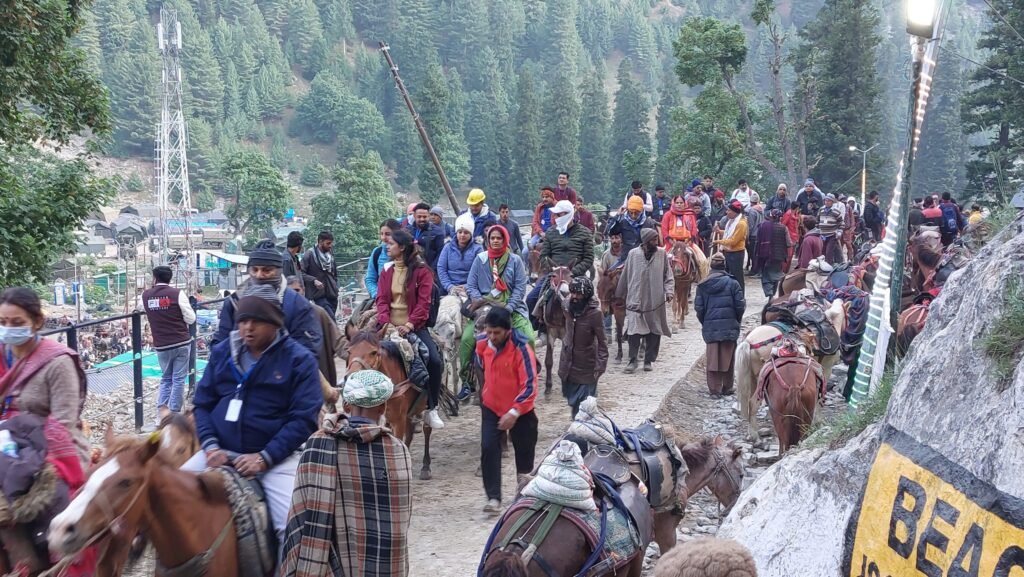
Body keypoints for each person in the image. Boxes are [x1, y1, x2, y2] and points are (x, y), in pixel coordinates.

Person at [189, 288, 322, 547]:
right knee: (167, 496)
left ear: (275, 323)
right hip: (217, 452)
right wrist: (210, 445)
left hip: (276, 460)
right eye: (242, 321)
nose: (247, 328)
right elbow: (202, 405)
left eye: (257, 322)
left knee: (292, 529)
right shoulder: (222, 352)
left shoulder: (299, 360)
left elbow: (303, 420)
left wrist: (265, 457)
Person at [280, 370, 412, 577]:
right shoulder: (396, 450)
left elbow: (300, 510)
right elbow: (399, 521)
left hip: (326, 566)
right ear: (383, 407)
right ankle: (429, 406)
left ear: (347, 405)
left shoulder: (318, 444)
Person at [0, 288, 89, 466]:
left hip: (48, 449)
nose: (8, 329)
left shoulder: (58, 363)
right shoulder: (2, 354)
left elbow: (62, 425)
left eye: (17, 323)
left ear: (37, 322)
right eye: (2, 322)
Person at [376, 229, 445, 429]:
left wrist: (409, 324)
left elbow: (424, 304)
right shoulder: (387, 270)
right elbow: (381, 299)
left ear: (403, 247)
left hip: (414, 327)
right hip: (388, 326)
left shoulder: (422, 272)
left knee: (434, 360)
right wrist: (385, 322)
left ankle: (431, 407)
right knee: (363, 353)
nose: (387, 246)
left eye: (391, 244)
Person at [475, 306, 538, 513]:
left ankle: (523, 495)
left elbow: (529, 385)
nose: (492, 337)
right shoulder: (481, 344)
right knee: (488, 448)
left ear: (508, 331)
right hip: (491, 406)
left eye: (497, 333)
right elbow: (481, 367)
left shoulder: (522, 349)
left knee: (524, 454)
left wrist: (514, 411)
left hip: (521, 411)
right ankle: (493, 497)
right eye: (489, 332)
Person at [213, 240, 322, 357]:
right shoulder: (233, 303)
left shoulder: (297, 304)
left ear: (279, 271)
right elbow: (221, 344)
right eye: (255, 270)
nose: (259, 275)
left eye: (267, 270)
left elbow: (309, 348)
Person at [461, 225, 534, 399]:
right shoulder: (481, 259)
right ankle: (467, 382)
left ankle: (527, 378)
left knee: (529, 338)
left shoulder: (515, 260)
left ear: (505, 240)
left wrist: (508, 308)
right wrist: (480, 304)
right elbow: (470, 285)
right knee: (466, 341)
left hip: (511, 308)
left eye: (498, 238)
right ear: (488, 240)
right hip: (484, 310)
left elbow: (519, 288)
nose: (495, 241)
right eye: (492, 238)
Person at [528, 200, 594, 334]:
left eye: (559, 215)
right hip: (554, 274)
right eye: (556, 215)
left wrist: (572, 272)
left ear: (568, 214)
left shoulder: (585, 233)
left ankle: (592, 330)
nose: (556, 218)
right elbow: (543, 255)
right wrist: (554, 271)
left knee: (592, 303)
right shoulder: (551, 232)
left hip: (577, 275)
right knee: (531, 298)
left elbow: (588, 258)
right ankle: (541, 328)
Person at [141, 265, 196, 426]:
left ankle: (161, 416)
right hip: (181, 342)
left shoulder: (146, 296)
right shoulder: (177, 294)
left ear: (154, 278)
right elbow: (191, 318)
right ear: (170, 278)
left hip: (162, 344)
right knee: (179, 379)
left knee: (166, 379)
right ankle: (174, 416)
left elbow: (140, 309)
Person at [615, 228, 674, 374]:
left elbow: (668, 275)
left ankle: (648, 360)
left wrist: (669, 291)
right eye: (653, 240)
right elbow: (625, 274)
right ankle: (632, 360)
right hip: (636, 299)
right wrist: (619, 294)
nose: (656, 242)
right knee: (634, 331)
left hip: (655, 300)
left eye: (656, 239)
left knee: (654, 330)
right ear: (646, 241)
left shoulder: (662, 254)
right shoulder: (633, 254)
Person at [694, 253, 745, 396]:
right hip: (729, 324)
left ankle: (714, 389)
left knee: (713, 357)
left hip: (710, 325)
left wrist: (705, 321)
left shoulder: (702, 285)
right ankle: (727, 387)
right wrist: (736, 320)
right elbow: (740, 306)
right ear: (724, 265)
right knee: (728, 357)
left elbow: (699, 308)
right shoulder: (733, 283)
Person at [557, 277, 607, 418]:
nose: (574, 297)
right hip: (568, 362)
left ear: (586, 295)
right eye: (572, 293)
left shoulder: (595, 314)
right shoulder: (566, 305)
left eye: (578, 294)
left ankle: (581, 426)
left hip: (587, 364)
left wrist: (600, 365)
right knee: (572, 399)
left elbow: (603, 342)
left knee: (584, 404)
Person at [287, 276, 342, 390]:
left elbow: (338, 341)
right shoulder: (278, 316)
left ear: (303, 290)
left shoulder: (318, 313)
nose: (294, 295)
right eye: (290, 292)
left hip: (320, 379)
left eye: (297, 290)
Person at [437, 213, 483, 296]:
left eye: (466, 232)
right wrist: (449, 287)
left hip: (471, 289)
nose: (462, 235)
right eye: (460, 232)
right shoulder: (447, 247)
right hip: (449, 289)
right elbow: (441, 268)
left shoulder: (478, 249)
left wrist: (467, 286)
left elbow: (480, 271)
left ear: (471, 234)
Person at [608, 195, 658, 266]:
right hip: (626, 258)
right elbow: (610, 232)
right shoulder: (623, 222)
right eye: (631, 213)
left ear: (642, 211)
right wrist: (617, 216)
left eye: (636, 213)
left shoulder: (648, 223)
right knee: (608, 274)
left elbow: (654, 242)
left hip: (645, 259)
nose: (633, 216)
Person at [301, 230, 340, 319]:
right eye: (328, 243)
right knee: (331, 322)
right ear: (320, 242)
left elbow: (335, 274)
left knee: (326, 325)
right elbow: (300, 273)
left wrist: (336, 287)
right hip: (318, 296)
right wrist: (313, 280)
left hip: (332, 295)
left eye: (331, 243)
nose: (330, 246)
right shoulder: (309, 254)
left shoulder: (330, 255)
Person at [712, 200, 748, 296]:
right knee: (727, 275)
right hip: (728, 252)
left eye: (729, 210)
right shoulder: (731, 222)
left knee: (737, 276)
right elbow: (729, 233)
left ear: (735, 212)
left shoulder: (741, 224)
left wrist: (718, 242)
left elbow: (733, 241)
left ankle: (740, 296)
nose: (727, 212)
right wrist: (719, 232)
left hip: (736, 253)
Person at [364, 219, 401, 300]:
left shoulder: (407, 253)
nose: (384, 238)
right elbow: (370, 278)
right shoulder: (377, 252)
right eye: (381, 234)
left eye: (388, 234)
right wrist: (377, 296)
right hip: (381, 301)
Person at [757, 210, 791, 297]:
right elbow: (788, 243)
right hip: (779, 256)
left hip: (766, 255)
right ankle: (772, 293)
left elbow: (758, 240)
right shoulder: (784, 228)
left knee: (766, 274)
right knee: (776, 276)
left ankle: (769, 291)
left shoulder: (764, 226)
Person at [406, 202, 446, 270]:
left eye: (424, 217)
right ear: (414, 216)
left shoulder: (438, 232)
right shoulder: (407, 231)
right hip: (410, 270)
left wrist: (431, 270)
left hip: (429, 271)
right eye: (419, 216)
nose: (422, 219)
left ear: (428, 216)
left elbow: (441, 255)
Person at [282, 231, 319, 297]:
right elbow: (287, 283)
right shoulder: (286, 260)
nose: (302, 247)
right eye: (301, 245)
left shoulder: (294, 258)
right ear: (298, 245)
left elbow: (299, 274)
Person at [817, 195, 844, 264]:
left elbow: (841, 223)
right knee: (822, 252)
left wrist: (839, 232)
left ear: (832, 202)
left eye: (829, 201)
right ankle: (823, 266)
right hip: (822, 235)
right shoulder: (821, 210)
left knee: (829, 252)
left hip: (832, 235)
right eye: (826, 200)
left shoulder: (836, 211)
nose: (827, 202)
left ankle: (828, 267)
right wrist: (818, 230)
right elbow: (817, 221)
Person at [744, 200, 764, 275]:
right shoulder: (761, 210)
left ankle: (754, 270)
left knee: (752, 253)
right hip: (760, 234)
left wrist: (747, 236)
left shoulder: (752, 211)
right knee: (756, 253)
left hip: (753, 235)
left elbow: (751, 225)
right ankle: (756, 269)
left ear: (751, 202)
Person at [780, 201, 802, 272]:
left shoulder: (796, 214)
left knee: (791, 256)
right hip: (789, 238)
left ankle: (786, 271)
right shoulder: (788, 214)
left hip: (795, 237)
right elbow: (783, 225)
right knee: (788, 256)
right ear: (797, 208)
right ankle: (783, 271)